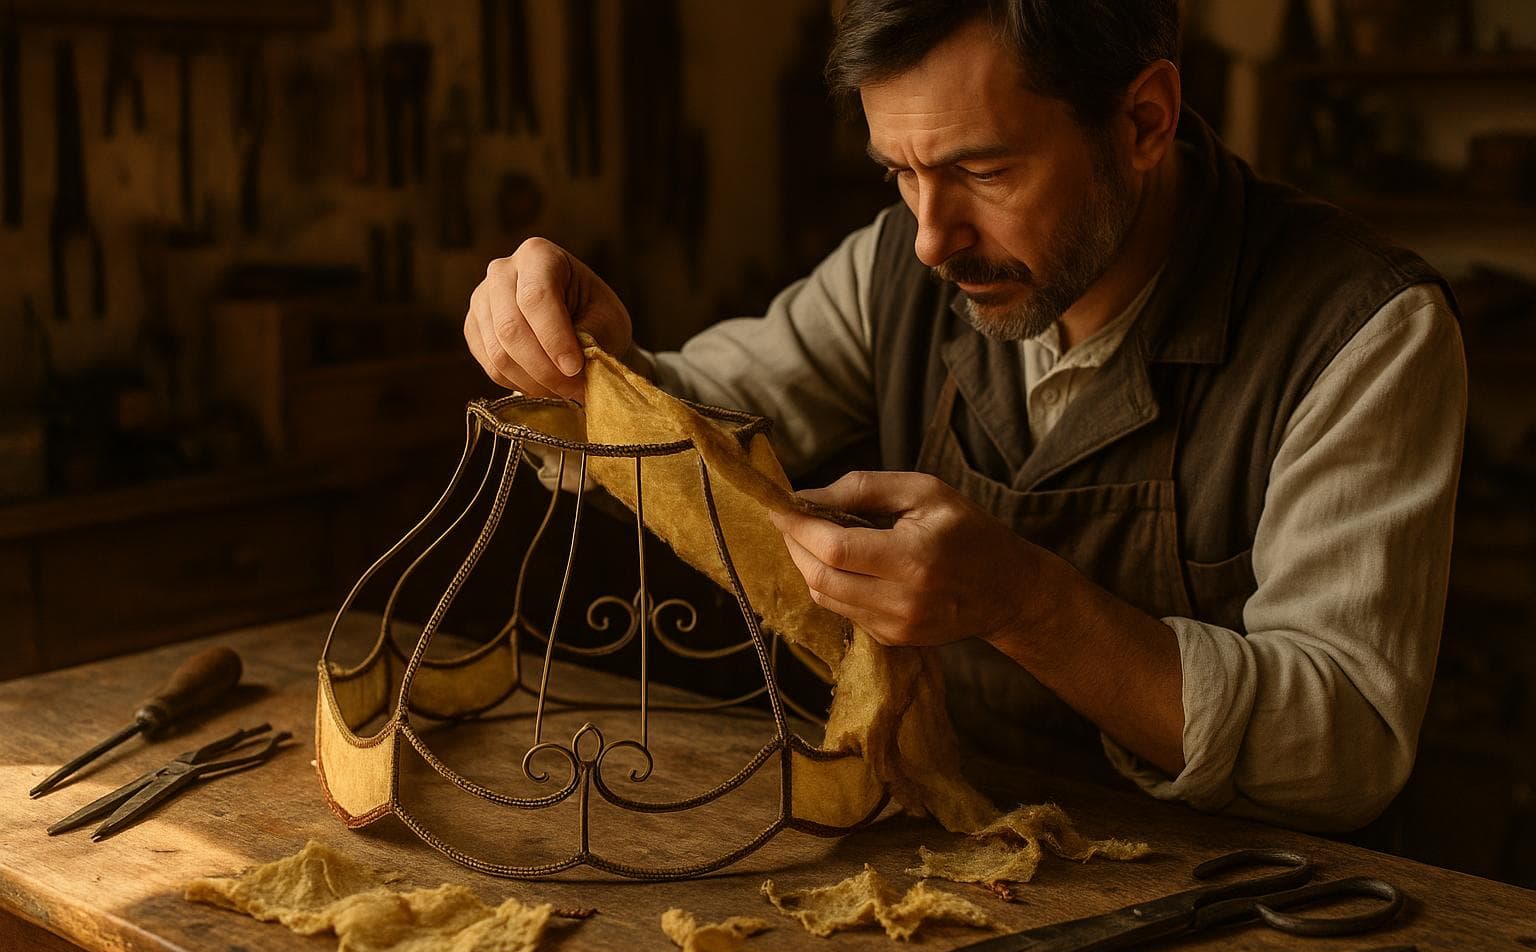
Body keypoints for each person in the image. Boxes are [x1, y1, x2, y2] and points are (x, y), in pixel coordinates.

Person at [462, 0, 1465, 834]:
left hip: (1246, 903)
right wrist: (579, 368)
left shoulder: (1361, 331)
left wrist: (1026, 603)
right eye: (899, 172)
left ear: (1145, 120)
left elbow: (1347, 745)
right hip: (950, 847)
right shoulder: (894, 268)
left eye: (984, 171)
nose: (932, 239)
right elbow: (690, 418)